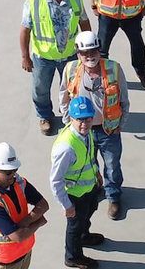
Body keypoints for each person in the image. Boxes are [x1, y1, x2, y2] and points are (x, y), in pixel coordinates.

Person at [60, 31, 129, 220]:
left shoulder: (114, 69)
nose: (90, 56)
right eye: (85, 53)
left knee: (112, 166)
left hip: (108, 130)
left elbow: (124, 100)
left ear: (99, 50)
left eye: (93, 51)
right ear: (78, 53)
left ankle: (113, 197)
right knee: (89, 163)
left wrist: (120, 125)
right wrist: (69, 123)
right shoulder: (70, 70)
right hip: (83, 131)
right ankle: (97, 188)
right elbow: (64, 97)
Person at [22, 0, 93, 135]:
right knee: (40, 89)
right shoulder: (34, 0)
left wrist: (88, 50)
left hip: (70, 56)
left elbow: (84, 23)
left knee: (72, 87)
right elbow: (25, 30)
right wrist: (25, 56)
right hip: (43, 57)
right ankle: (45, 116)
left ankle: (71, 116)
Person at [0, 142, 51, 269]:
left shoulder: (19, 182)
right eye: (7, 172)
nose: (12, 175)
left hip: (25, 252)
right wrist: (37, 222)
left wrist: (22, 224)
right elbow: (18, 236)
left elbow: (43, 205)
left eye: (14, 170)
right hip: (6, 262)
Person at [50, 96, 105, 269]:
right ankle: (73, 256)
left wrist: (96, 172)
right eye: (80, 119)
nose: (85, 123)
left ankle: (84, 235)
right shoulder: (66, 148)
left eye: (88, 118)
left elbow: (89, 156)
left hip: (88, 188)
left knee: (90, 210)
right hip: (75, 195)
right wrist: (67, 205)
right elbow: (55, 181)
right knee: (74, 226)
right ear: (71, 118)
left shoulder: (86, 132)